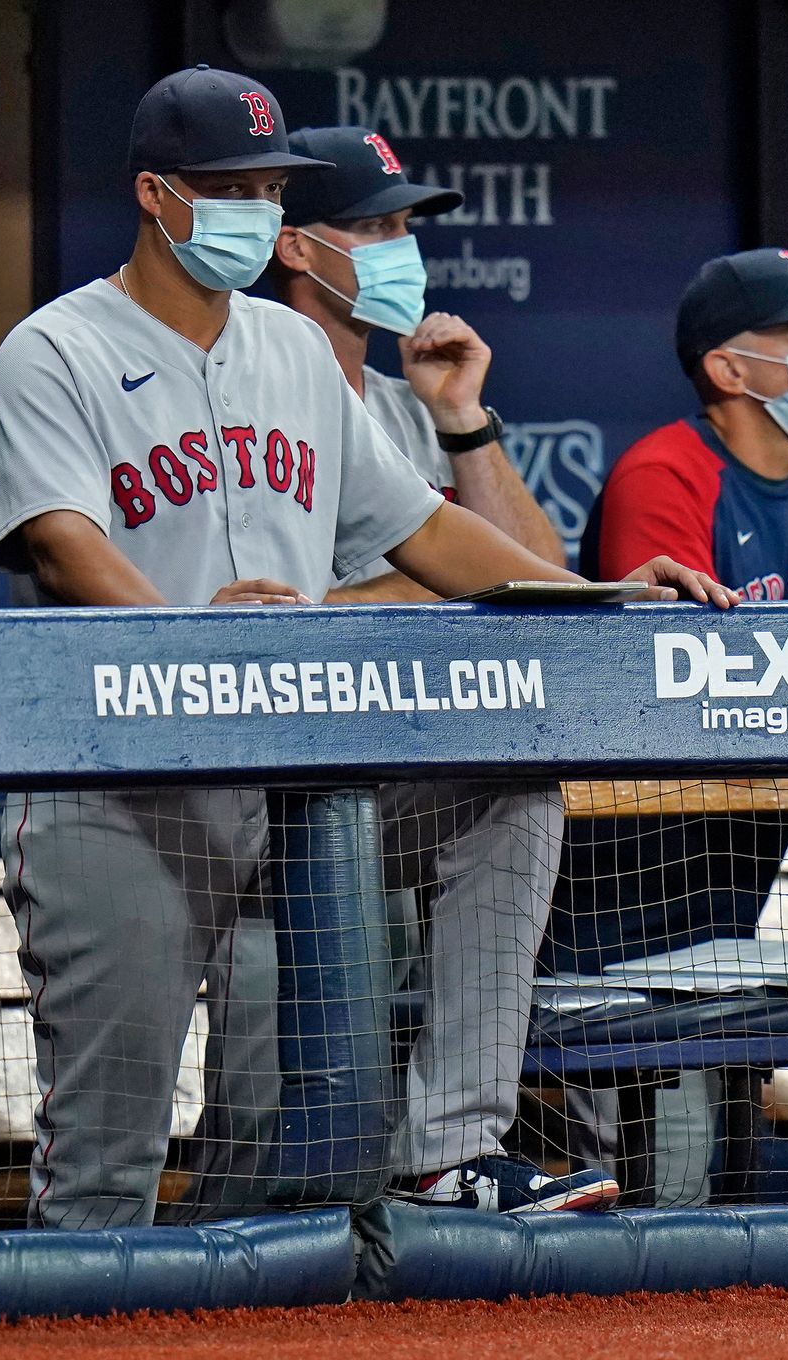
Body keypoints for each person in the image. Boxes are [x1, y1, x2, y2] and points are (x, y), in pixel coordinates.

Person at [0, 66, 729, 1228]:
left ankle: (448, 1148)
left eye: (269, 186)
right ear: (154, 194)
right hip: (121, 786)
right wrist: (191, 642)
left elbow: (429, 530)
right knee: (103, 1176)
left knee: (505, 787)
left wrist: (601, 593)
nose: (251, 207)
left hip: (296, 787)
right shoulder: (57, 347)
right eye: (226, 185)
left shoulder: (287, 347)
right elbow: (66, 545)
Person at [552, 247, 788, 1198]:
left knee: (726, 1163)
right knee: (658, 1166)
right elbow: (664, 685)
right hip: (623, 883)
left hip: (737, 869)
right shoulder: (665, 473)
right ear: (727, 368)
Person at [267, 123, 579, 1206]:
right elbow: (289, 611)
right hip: (254, 783)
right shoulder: (255, 379)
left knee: (516, 788)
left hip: (387, 778)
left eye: (408, 224)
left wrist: (462, 422)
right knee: (257, 1160)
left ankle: (453, 1148)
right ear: (299, 247)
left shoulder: (403, 406)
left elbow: (535, 581)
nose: (404, 246)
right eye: (377, 224)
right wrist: (438, 585)